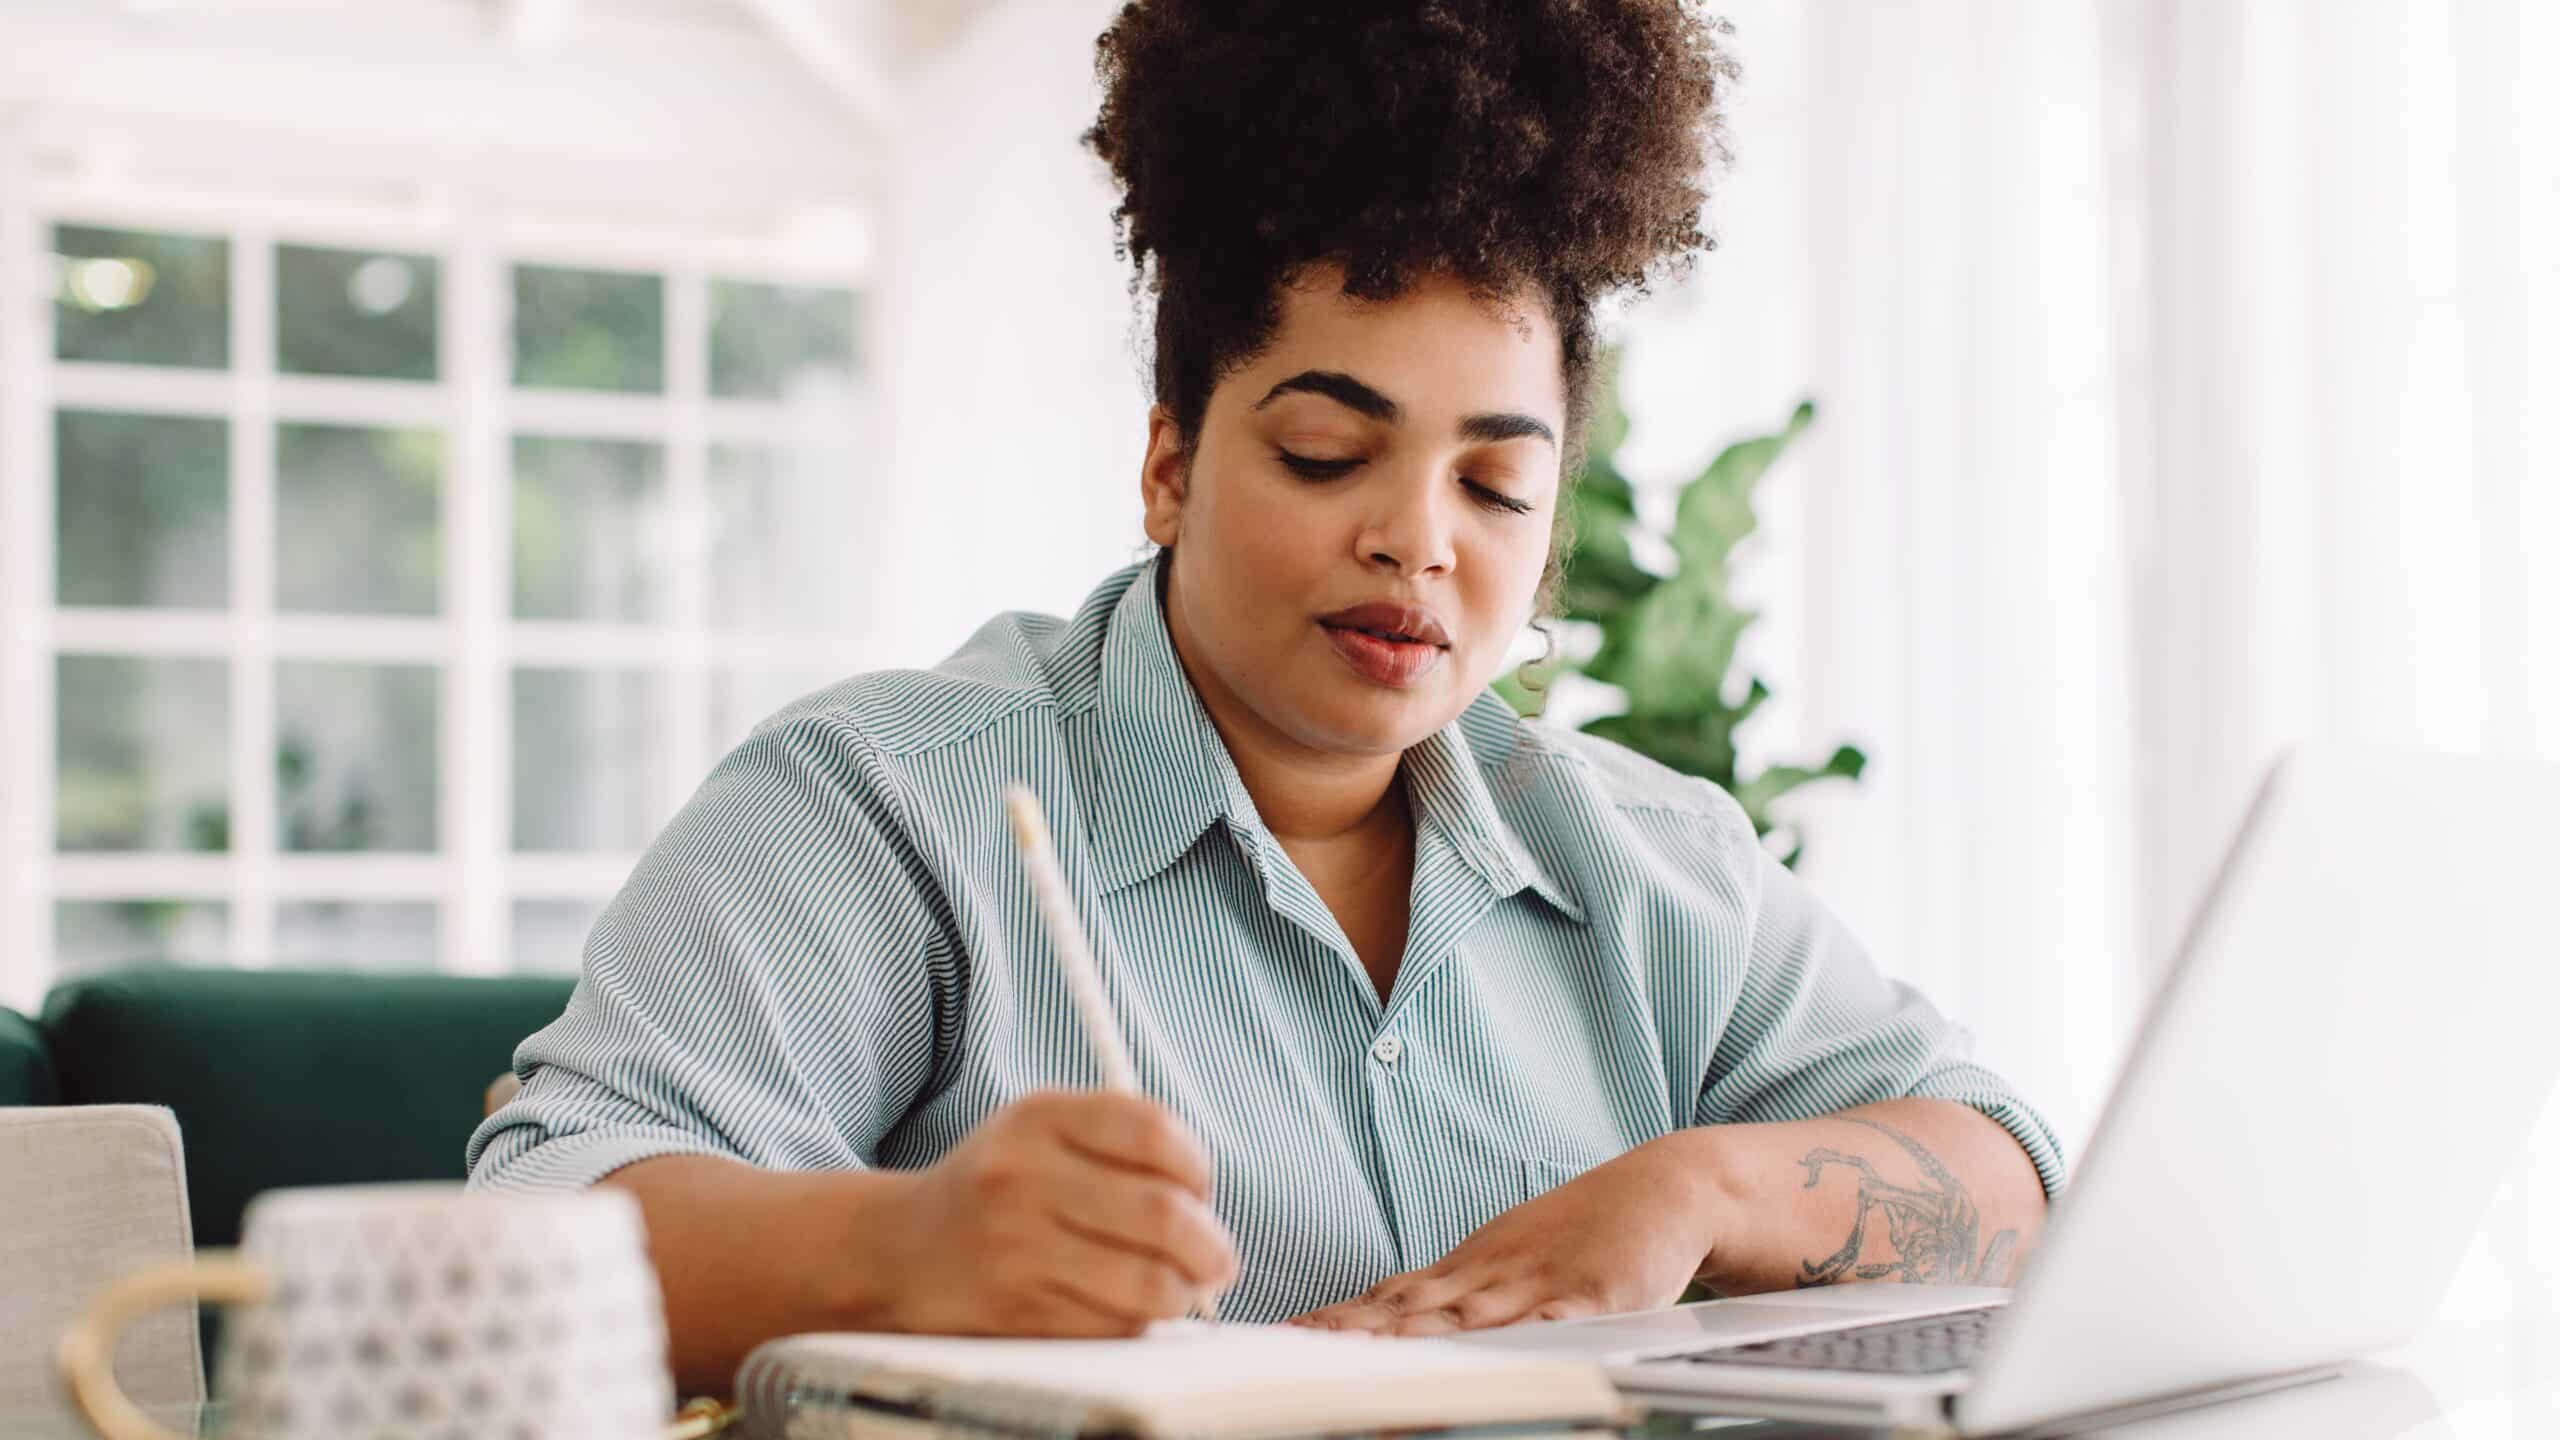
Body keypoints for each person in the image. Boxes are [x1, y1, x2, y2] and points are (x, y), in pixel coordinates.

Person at [468, 0, 2062, 1396]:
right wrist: (906, 1244)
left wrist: (1696, 1192)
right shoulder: (890, 800)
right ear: (1169, 464)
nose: (1416, 541)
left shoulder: (1651, 863)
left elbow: (2008, 1174)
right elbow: (528, 1232)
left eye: (1498, 485)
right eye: (1324, 451)